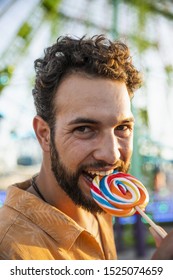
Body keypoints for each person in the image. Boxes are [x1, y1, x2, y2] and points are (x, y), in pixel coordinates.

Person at [0, 34, 168, 260]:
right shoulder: (9, 252)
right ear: (44, 134)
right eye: (84, 129)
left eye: (122, 127)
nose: (111, 154)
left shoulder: (99, 206)